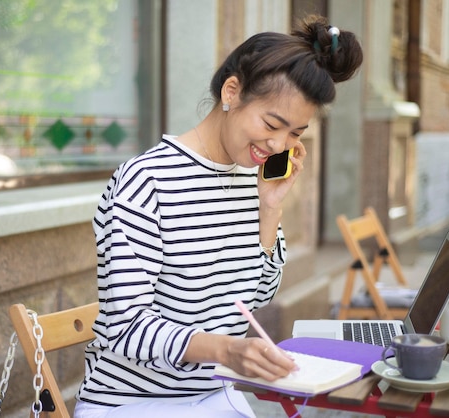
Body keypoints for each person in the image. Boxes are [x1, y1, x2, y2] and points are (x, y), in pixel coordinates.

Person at [74, 14, 363, 418]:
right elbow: (127, 328)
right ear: (232, 91)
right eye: (272, 123)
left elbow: (255, 298)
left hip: (213, 396)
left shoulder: (251, 179)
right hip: (132, 403)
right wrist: (227, 349)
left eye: (295, 133)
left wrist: (270, 208)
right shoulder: (146, 181)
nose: (279, 144)